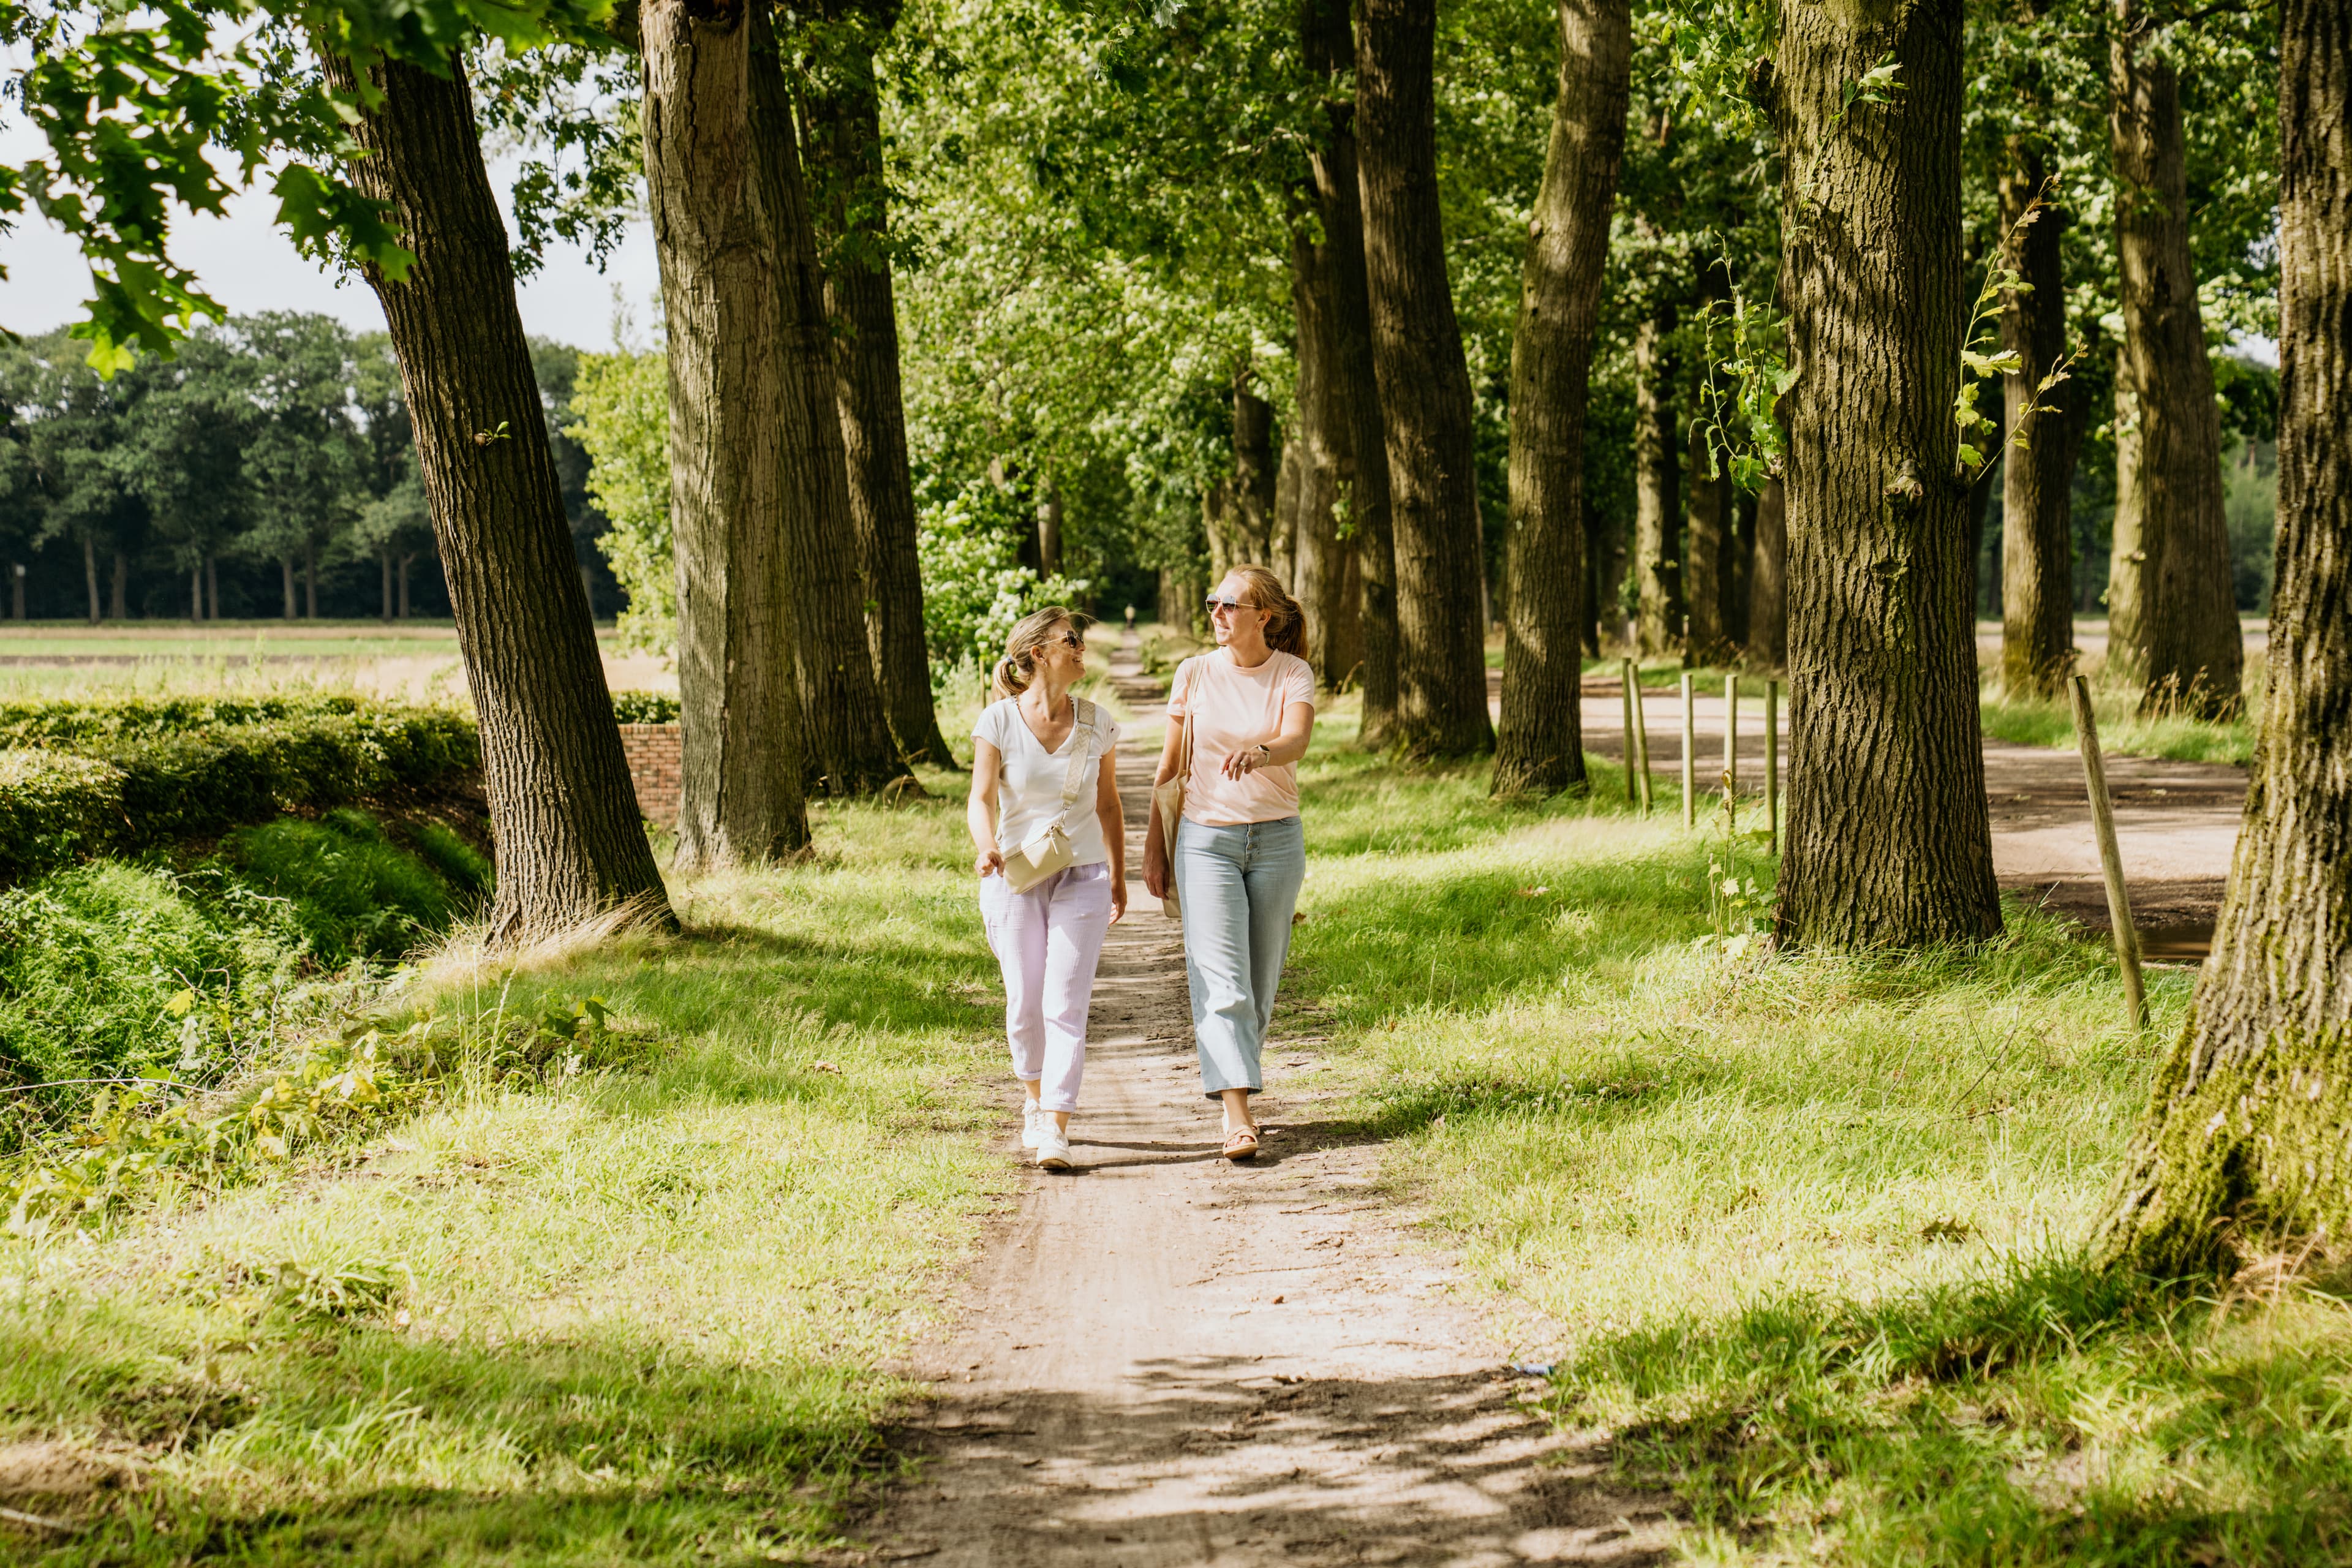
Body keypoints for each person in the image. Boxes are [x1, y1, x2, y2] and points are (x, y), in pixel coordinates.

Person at [1142, 565, 1316, 1160]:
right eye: (1211, 602)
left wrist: (1263, 752)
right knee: (1222, 982)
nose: (1216, 613)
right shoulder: (1193, 672)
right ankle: (1237, 1116)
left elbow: (1297, 739)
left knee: (1259, 987)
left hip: (1277, 841)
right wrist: (1154, 844)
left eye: (1229, 604)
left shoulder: (1292, 672)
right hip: (1205, 843)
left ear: (1262, 616)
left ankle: (1235, 1076)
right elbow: (1169, 767)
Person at [968, 608, 1126, 1170]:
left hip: (1084, 875)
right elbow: (981, 798)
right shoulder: (998, 721)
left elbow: (1109, 805)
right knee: (1024, 1002)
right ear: (1039, 653)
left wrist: (1119, 876)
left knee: (1065, 1003)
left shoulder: (1098, 723)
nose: (1082, 648)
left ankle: (1057, 1124)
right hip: (1015, 876)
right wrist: (986, 845)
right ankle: (1033, 1100)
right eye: (1072, 640)